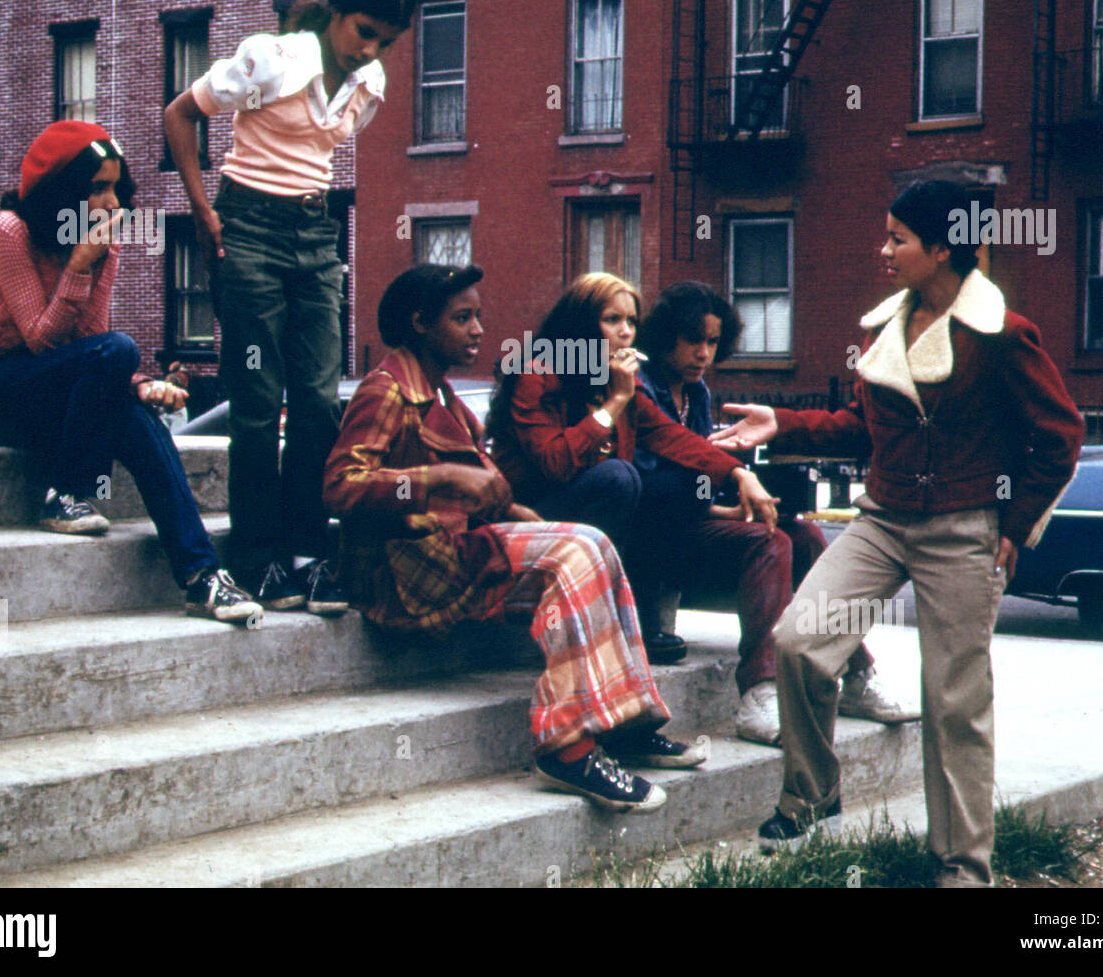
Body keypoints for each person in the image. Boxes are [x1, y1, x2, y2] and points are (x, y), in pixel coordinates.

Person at [755, 180, 1084, 887]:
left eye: (897, 238)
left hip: (962, 532)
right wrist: (782, 424)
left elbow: (1060, 434)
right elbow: (859, 429)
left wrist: (1017, 524)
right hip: (882, 521)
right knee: (800, 642)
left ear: (941, 249)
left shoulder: (1002, 334)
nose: (884, 250)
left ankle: (962, 867)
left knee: (953, 703)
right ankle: (812, 797)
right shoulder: (884, 328)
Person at [324, 264, 704, 812]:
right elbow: (340, 488)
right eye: (462, 318)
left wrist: (518, 510)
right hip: (405, 570)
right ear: (420, 324)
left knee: (591, 541)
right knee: (574, 551)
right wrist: (438, 482)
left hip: (451, 550)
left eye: (478, 315)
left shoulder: (445, 395)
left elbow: (483, 492)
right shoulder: (387, 390)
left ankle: (625, 723)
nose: (480, 328)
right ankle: (566, 748)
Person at [164, 0, 413, 615]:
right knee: (255, 398)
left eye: (383, 42)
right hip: (246, 227)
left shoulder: (370, 82)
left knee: (316, 399)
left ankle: (307, 552)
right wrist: (201, 209)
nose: (369, 50)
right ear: (336, 12)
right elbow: (180, 115)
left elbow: (321, 153)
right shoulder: (271, 59)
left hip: (314, 232)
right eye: (363, 32)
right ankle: (255, 557)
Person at [0, 120, 261, 625]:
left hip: (56, 388)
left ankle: (202, 577)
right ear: (64, 190)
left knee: (132, 410)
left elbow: (90, 344)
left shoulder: (103, 242)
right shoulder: (9, 231)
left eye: (117, 187)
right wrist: (79, 266)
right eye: (98, 188)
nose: (112, 201)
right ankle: (66, 493)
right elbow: (39, 337)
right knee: (118, 351)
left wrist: (142, 385)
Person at [632, 281, 913, 745]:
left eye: (713, 342)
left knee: (801, 536)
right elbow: (658, 487)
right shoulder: (641, 389)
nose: (704, 353)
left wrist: (735, 509)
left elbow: (698, 491)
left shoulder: (696, 393)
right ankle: (759, 691)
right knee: (769, 541)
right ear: (664, 337)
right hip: (655, 548)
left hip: (693, 529)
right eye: (693, 340)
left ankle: (856, 672)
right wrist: (734, 487)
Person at [487, 272, 781, 667]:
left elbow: (674, 438)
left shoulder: (614, 380)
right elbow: (555, 464)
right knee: (620, 476)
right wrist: (616, 402)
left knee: (675, 481)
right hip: (533, 516)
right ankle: (594, 611)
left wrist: (739, 475)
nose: (626, 333)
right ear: (580, 324)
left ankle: (640, 620)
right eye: (612, 320)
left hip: (595, 520)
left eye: (631, 322)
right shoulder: (538, 373)